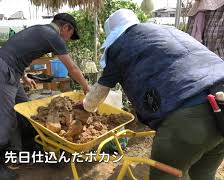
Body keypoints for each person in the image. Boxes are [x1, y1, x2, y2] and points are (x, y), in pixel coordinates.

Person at [82, 9, 224, 180]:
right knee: (204, 174)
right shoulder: (168, 31)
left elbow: (97, 94)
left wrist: (85, 106)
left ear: (112, 34)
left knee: (165, 176)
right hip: (220, 102)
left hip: (189, 115)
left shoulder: (120, 46)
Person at [0, 13, 90, 179]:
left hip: (11, 71)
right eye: (70, 36)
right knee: (5, 118)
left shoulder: (41, 30)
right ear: (65, 28)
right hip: (1, 72)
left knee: (26, 112)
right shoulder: (53, 36)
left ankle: (31, 152)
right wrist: (87, 88)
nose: (67, 41)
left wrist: (24, 77)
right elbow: (72, 68)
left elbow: (16, 52)